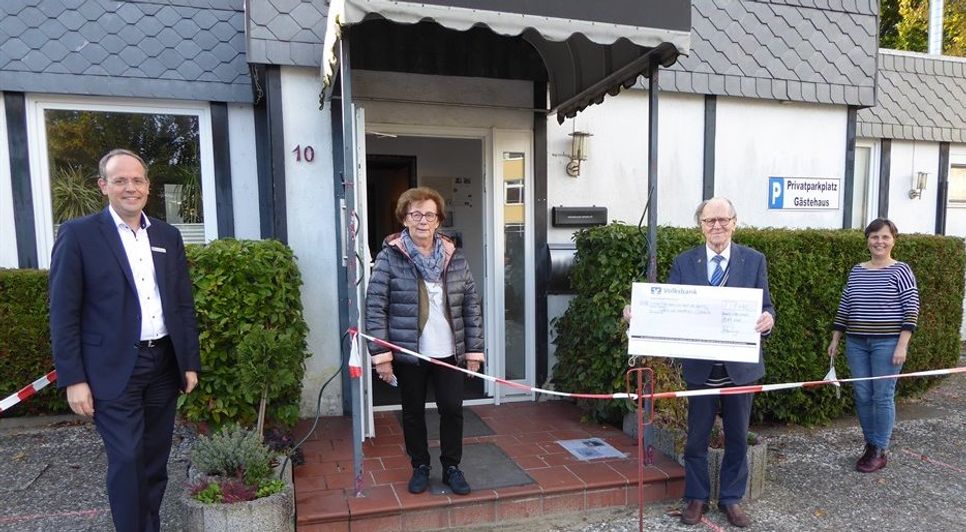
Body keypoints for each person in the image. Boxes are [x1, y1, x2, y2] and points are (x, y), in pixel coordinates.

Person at [49, 149, 201, 531]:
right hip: (112, 370)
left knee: (154, 459)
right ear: (103, 186)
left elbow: (182, 304)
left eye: (137, 180)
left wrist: (189, 362)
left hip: (163, 364)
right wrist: (74, 379)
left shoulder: (167, 235)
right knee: (127, 459)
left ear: (148, 186)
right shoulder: (79, 235)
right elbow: (64, 313)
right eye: (120, 180)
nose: (130, 187)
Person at [625, 198, 774, 527]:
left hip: (740, 369)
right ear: (700, 225)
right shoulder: (684, 262)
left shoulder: (754, 260)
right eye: (710, 221)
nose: (716, 226)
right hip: (700, 370)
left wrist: (768, 319)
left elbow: (767, 305)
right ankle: (696, 498)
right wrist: (639, 315)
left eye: (723, 219)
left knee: (737, 437)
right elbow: (670, 309)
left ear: (735, 222)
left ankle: (731, 500)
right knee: (696, 439)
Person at [365, 186, 484, 496]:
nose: (422, 221)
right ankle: (420, 465)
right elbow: (375, 308)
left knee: (452, 409)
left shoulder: (454, 257)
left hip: (449, 352)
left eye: (429, 214)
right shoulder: (390, 258)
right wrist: (382, 356)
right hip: (410, 353)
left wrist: (474, 352)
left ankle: (451, 467)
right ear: (404, 219)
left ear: (438, 220)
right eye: (415, 214)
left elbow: (471, 305)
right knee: (413, 412)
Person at [827, 218, 919, 473]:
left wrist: (902, 344)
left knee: (882, 395)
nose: (879, 241)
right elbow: (846, 305)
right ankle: (870, 444)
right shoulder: (857, 270)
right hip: (856, 342)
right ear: (868, 240)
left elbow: (911, 309)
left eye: (885, 237)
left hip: (887, 344)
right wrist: (836, 338)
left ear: (893, 241)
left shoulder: (901, 271)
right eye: (874, 237)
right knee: (863, 395)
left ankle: (879, 449)